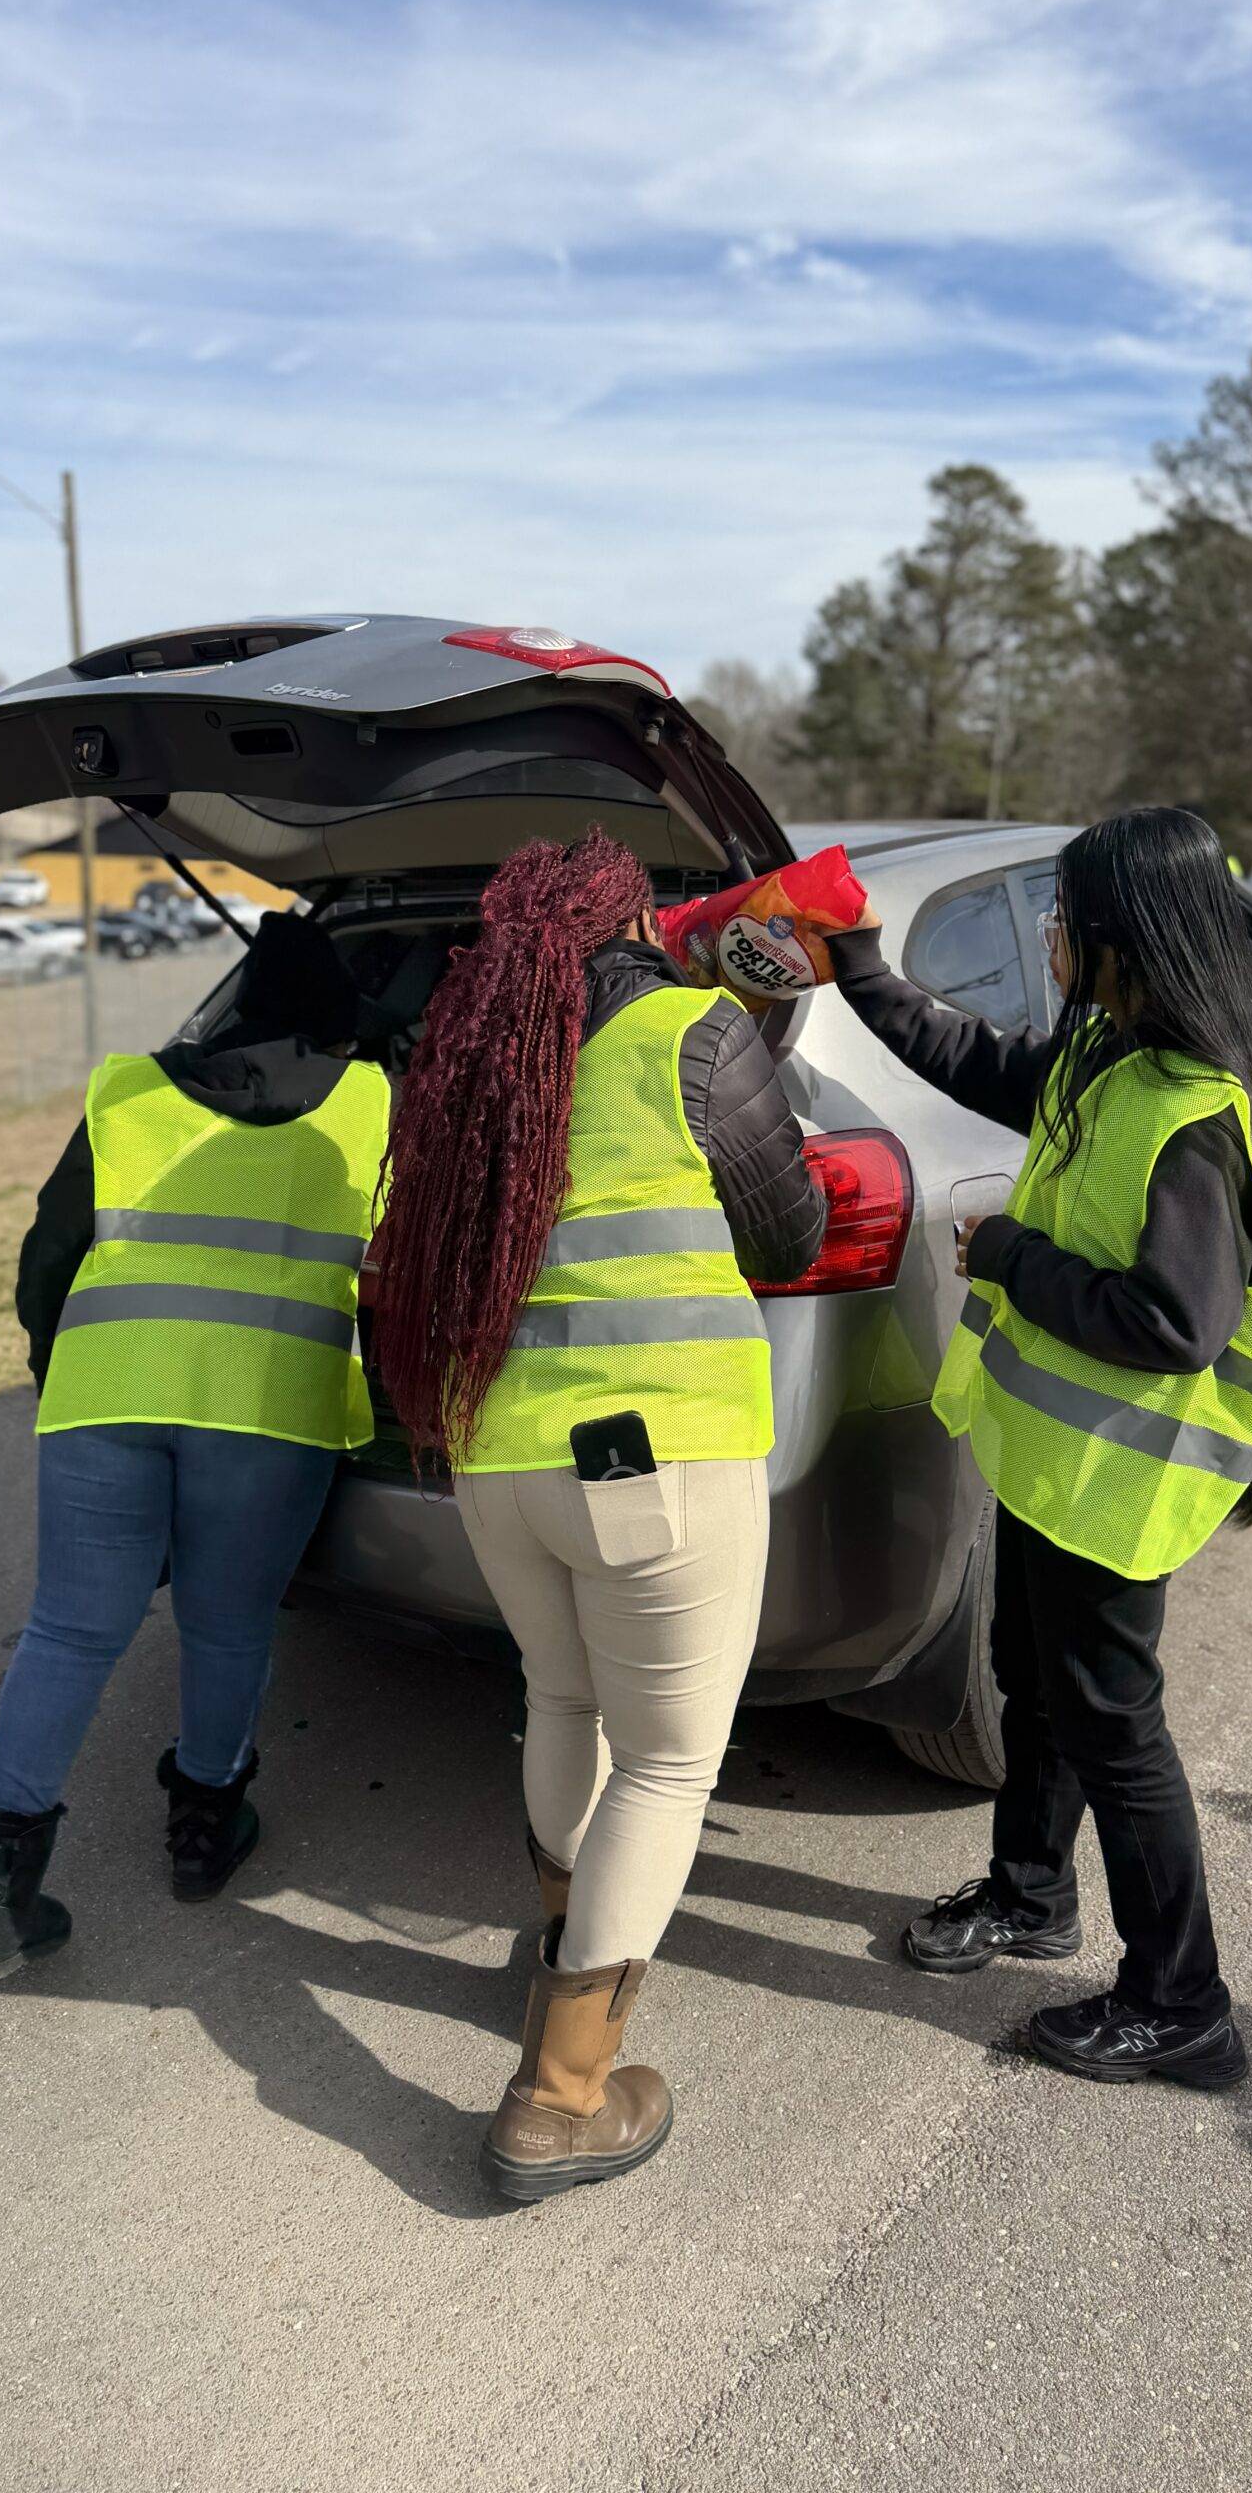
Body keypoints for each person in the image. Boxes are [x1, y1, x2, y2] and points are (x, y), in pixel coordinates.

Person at [373, 828, 824, 2198]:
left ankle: (564, 1948)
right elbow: (791, 1233)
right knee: (670, 1765)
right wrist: (768, 1032)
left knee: (564, 1703)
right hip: (653, 1460)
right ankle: (564, 2095)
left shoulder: (471, 1074)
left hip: (496, 1458)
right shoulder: (693, 1034)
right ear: (633, 923)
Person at [827, 807, 1252, 2090]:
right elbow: (975, 1060)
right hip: (1053, 1462)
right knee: (1034, 1685)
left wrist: (1010, 1255)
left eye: (1065, 917)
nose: (1049, 934)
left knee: (1115, 1731)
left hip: (1124, 1481)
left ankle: (1182, 2003)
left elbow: (1175, 1324)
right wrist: (859, 968)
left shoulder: (1194, 1112)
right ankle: (1032, 1894)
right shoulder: (1106, 1050)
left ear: (1123, 939)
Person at [0, 912, 389, 1980]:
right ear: (335, 1027)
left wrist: (64, 1369)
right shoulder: (375, 1102)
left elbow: (49, 1257)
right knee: (226, 1628)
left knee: (68, 1630)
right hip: (269, 1407)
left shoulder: (127, 1093)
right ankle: (203, 1831)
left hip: (106, 1392)